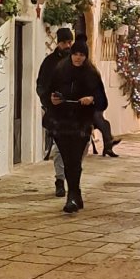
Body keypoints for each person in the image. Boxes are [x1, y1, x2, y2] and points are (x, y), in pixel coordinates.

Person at [46, 38, 108, 214]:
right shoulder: (60, 71)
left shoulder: (91, 74)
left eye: (81, 55)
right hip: (62, 122)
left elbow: (102, 101)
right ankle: (75, 194)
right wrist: (52, 100)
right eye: (75, 54)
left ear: (86, 56)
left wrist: (91, 99)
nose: (78, 58)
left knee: (75, 160)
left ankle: (73, 194)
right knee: (67, 160)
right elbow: (48, 92)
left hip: (81, 123)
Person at [36, 26, 74, 196]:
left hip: (75, 111)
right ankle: (60, 180)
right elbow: (41, 86)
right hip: (57, 111)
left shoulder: (77, 60)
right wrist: (48, 100)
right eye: (65, 42)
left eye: (70, 42)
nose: (68, 45)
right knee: (59, 147)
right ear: (58, 43)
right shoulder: (49, 63)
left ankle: (72, 177)